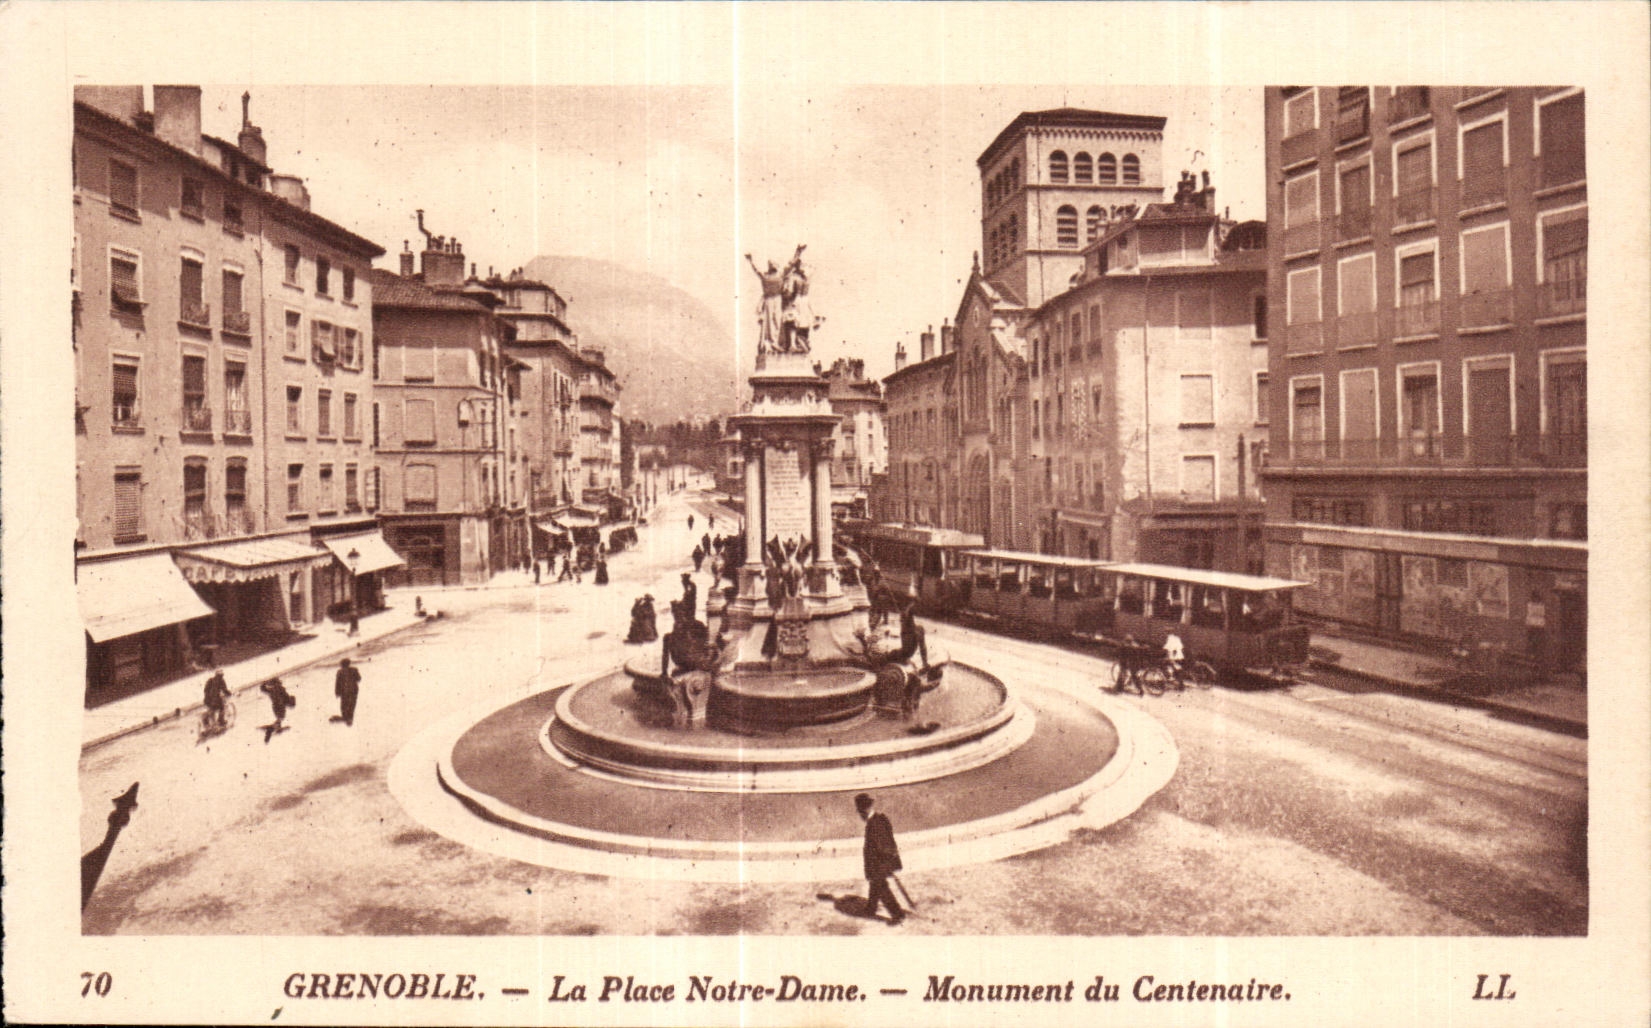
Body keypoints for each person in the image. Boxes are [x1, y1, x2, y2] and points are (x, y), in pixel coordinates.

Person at [855, 793, 904, 924]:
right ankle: (871, 908)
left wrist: (885, 864)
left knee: (881, 887)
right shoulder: (880, 819)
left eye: (860, 811)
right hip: (879, 862)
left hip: (879, 863)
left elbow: (883, 846)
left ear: (864, 810)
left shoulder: (875, 823)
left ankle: (897, 914)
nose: (860, 815)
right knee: (875, 884)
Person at [745, 253, 786, 353]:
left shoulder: (779, 275)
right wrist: (751, 261)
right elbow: (757, 271)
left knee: (777, 320)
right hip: (769, 299)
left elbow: (790, 265)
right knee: (769, 322)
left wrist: (751, 261)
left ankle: (776, 341)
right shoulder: (766, 276)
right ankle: (772, 342)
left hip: (777, 299)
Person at [260, 678, 296, 743]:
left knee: (279, 700)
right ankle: (271, 686)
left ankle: (271, 686)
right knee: (284, 702)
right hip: (279, 701)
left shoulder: (280, 716)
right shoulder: (281, 716)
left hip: (278, 701)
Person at [334, 657, 361, 726]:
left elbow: (337, 683)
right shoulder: (354, 670)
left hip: (344, 691)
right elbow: (359, 679)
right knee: (352, 703)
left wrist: (337, 692)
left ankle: (345, 717)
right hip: (354, 690)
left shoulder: (340, 672)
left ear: (342, 665)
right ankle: (350, 717)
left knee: (344, 704)